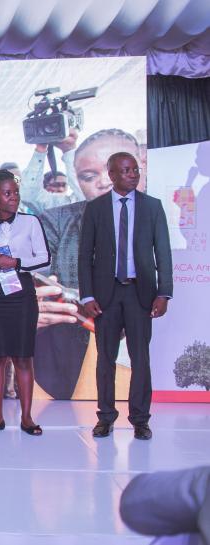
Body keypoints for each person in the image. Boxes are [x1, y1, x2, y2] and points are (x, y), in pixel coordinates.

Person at [35, 128, 146, 400]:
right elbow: (26, 274)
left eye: (119, 169)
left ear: (142, 165)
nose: (106, 181)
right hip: (72, 372)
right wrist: (21, 304)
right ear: (78, 180)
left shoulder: (170, 217)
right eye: (89, 176)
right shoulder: (57, 222)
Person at [79, 151, 172, 440]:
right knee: (105, 358)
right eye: (126, 170)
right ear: (112, 175)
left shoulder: (152, 206)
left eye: (135, 170)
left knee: (140, 359)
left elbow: (163, 253)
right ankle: (105, 417)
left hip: (140, 293)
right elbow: (85, 256)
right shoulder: (95, 208)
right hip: (105, 295)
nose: (133, 174)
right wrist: (87, 296)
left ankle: (140, 420)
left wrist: (164, 293)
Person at [0, 170, 50, 435]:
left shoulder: (31, 222)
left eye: (15, 192)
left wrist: (17, 262)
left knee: (23, 357)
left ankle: (27, 418)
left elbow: (45, 259)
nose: (13, 197)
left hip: (22, 291)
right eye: (7, 193)